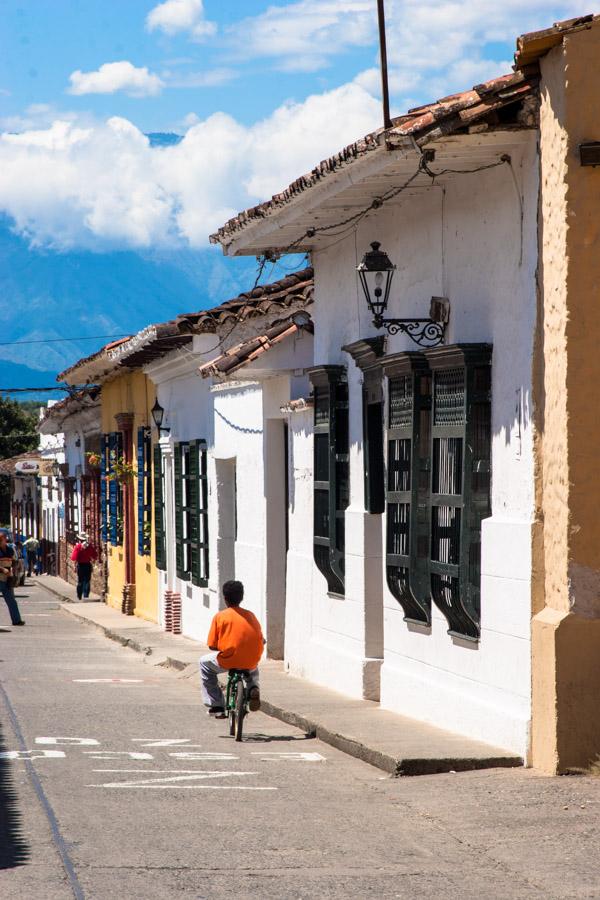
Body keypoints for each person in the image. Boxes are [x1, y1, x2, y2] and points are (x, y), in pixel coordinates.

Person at [200, 580, 263, 717]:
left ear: (225, 598)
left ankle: (216, 705)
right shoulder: (251, 615)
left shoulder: (220, 616)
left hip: (228, 660)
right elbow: (260, 638)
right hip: (250, 659)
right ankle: (253, 687)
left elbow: (211, 645)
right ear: (242, 597)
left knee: (204, 664)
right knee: (253, 668)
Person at [0, 530, 24, 626]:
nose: (5, 540)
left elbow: (13, 561)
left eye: (5, 539)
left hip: (7, 579)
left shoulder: (9, 550)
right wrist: (2, 570)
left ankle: (16, 620)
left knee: (11, 601)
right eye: (3, 539)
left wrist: (13, 568)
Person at [70, 533, 98, 600]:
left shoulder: (78, 547)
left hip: (80, 565)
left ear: (80, 539)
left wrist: (75, 565)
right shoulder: (89, 546)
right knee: (87, 581)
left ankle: (79, 595)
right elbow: (95, 555)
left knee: (80, 581)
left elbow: (73, 558)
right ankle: (86, 595)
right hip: (88, 565)